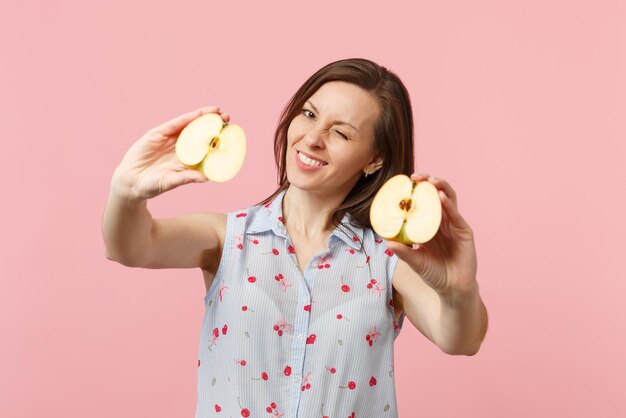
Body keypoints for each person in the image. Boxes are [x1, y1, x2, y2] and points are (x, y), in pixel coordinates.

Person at [102, 58, 488, 418]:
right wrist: (127, 190)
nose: (313, 138)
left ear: (375, 160)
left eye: (340, 133)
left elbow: (460, 339)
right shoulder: (229, 237)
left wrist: (458, 289)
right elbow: (132, 246)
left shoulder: (386, 259)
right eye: (309, 114)